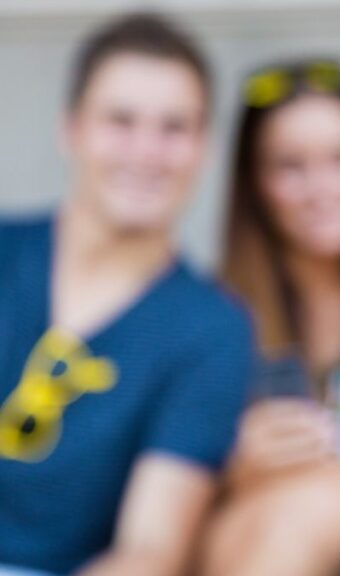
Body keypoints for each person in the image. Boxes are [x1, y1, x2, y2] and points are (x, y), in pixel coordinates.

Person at [0, 14, 253, 574]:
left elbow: (150, 551)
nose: (146, 151)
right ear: (71, 130)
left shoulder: (211, 327)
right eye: (121, 120)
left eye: (173, 128)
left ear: (204, 149)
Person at [199, 59, 340, 575]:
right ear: (254, 183)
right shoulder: (217, 315)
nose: (322, 187)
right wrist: (230, 466)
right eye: (290, 166)